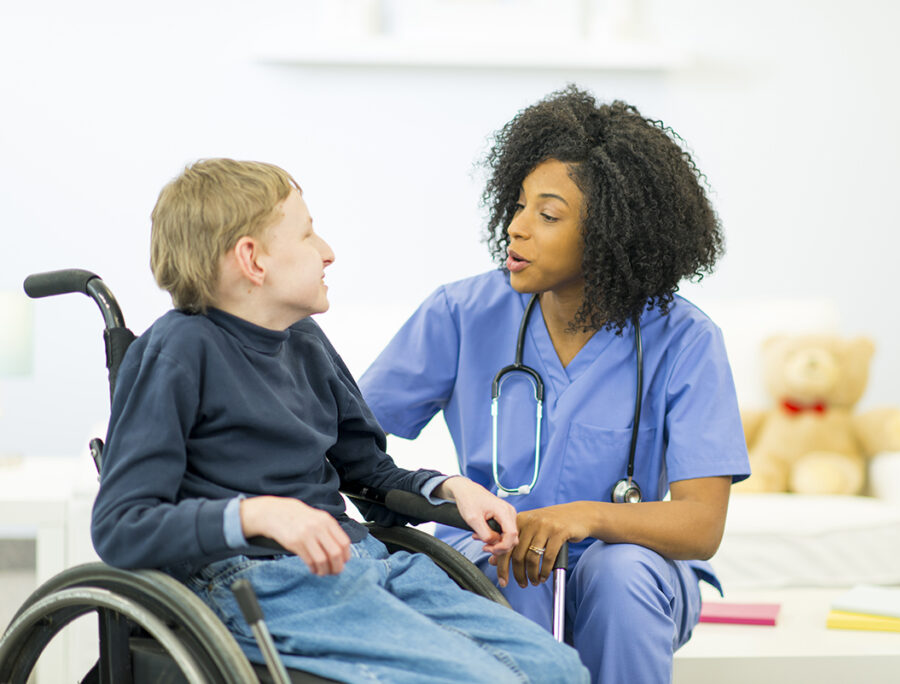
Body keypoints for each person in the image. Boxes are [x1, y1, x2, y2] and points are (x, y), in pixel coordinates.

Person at [90, 158, 589, 684]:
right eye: (307, 234)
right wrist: (259, 515)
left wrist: (449, 489)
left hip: (363, 560)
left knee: (559, 669)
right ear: (252, 260)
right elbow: (121, 525)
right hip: (261, 581)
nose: (327, 251)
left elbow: (367, 474)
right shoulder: (177, 352)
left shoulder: (304, 340)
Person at [359, 86, 751, 683]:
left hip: (630, 568)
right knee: (518, 563)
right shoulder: (462, 313)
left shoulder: (686, 340)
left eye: (547, 215)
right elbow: (347, 436)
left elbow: (701, 525)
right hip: (494, 553)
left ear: (612, 231)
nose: (515, 229)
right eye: (518, 206)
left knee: (622, 576)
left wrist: (582, 518)